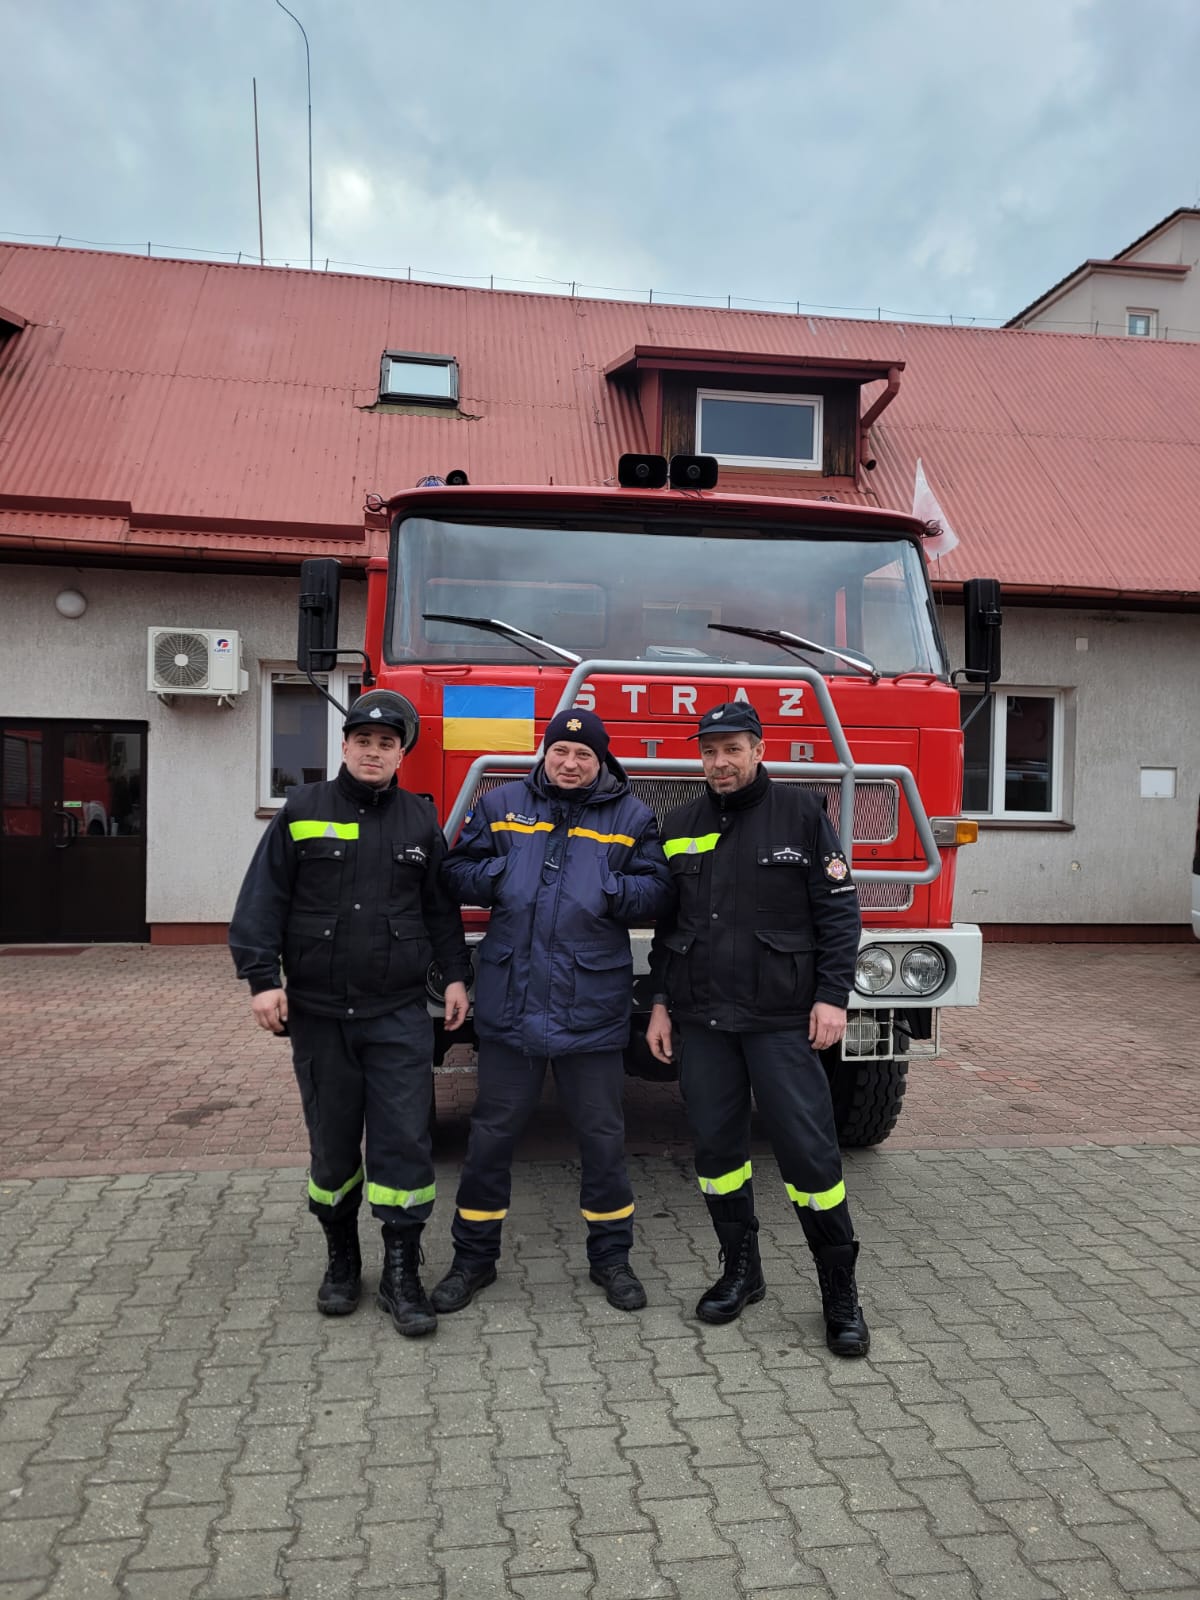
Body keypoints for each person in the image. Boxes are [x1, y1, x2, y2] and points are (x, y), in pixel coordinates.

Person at [228, 689, 471, 1339]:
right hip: (320, 1014)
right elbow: (262, 900)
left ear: (401, 755)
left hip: (397, 1014)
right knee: (333, 1146)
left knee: (405, 1143)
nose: (373, 751)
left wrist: (455, 976)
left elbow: (440, 910)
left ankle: (401, 1272)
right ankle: (342, 1260)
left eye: (386, 743)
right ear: (344, 746)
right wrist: (262, 980)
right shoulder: (303, 809)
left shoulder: (420, 820)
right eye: (363, 740)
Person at [646, 701, 870, 1357]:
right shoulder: (680, 824)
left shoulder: (801, 813)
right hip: (704, 1020)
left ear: (759, 750)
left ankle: (840, 1295)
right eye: (709, 751)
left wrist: (833, 997)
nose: (720, 762)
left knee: (809, 1158)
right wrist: (658, 1001)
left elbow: (839, 913)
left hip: (780, 1020)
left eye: (733, 749)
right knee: (717, 1154)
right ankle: (742, 1272)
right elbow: (669, 927)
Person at [432, 707, 671, 1315]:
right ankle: (472, 1260)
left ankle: (612, 1259)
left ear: (600, 761)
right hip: (512, 1004)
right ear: (546, 753)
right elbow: (455, 871)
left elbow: (659, 889)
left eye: (583, 755)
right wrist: (504, 873)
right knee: (490, 1137)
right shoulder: (499, 804)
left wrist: (609, 888)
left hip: (589, 1008)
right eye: (560, 752)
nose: (569, 763)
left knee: (603, 1138)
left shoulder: (632, 816)